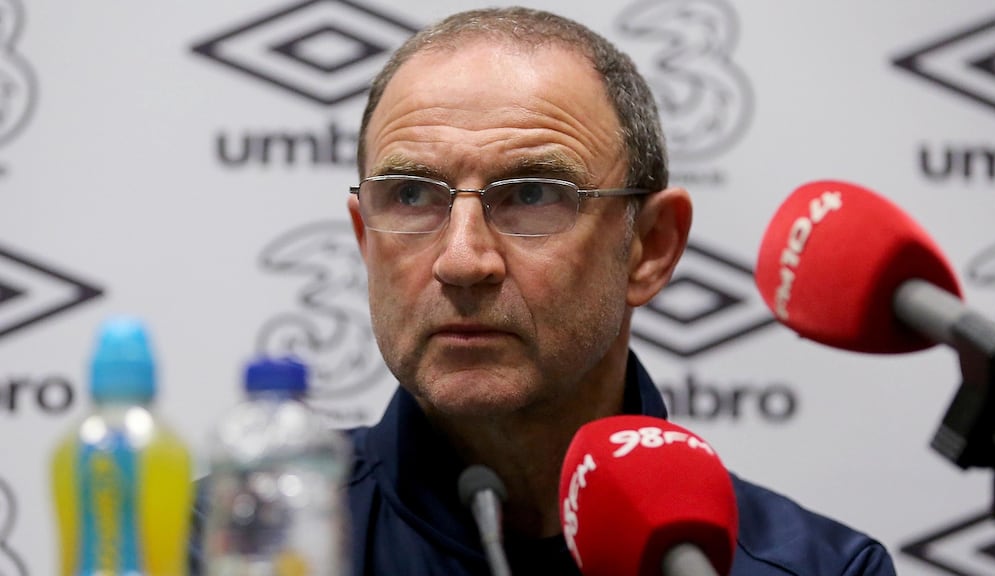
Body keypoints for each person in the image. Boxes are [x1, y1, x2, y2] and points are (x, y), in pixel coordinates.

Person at [191, 6, 898, 575]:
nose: (463, 260)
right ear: (364, 236)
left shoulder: (816, 568)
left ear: (649, 249)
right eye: (411, 195)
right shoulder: (224, 549)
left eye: (532, 194)